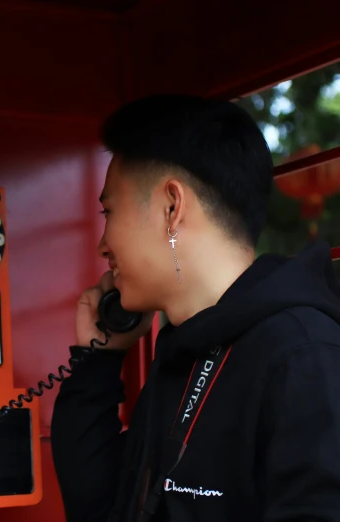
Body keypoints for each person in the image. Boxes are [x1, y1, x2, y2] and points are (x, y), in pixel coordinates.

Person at [51, 93, 340, 522]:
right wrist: (97, 361)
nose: (102, 245)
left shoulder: (301, 354)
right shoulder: (184, 350)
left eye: (109, 211)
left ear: (172, 206)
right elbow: (99, 507)